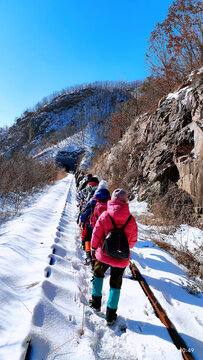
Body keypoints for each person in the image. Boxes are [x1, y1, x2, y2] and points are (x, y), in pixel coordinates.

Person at [89, 188, 138, 325]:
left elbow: (96, 234)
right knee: (116, 284)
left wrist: (93, 247)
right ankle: (111, 315)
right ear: (125, 201)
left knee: (98, 274)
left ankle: (96, 303)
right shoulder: (131, 219)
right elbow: (133, 242)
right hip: (121, 257)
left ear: (113, 200)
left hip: (104, 254)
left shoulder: (105, 215)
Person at [80, 180, 111, 267]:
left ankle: (88, 255)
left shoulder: (94, 198)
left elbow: (86, 210)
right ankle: (98, 260)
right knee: (100, 242)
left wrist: (82, 220)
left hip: (92, 225)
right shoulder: (109, 199)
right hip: (104, 226)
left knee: (88, 239)